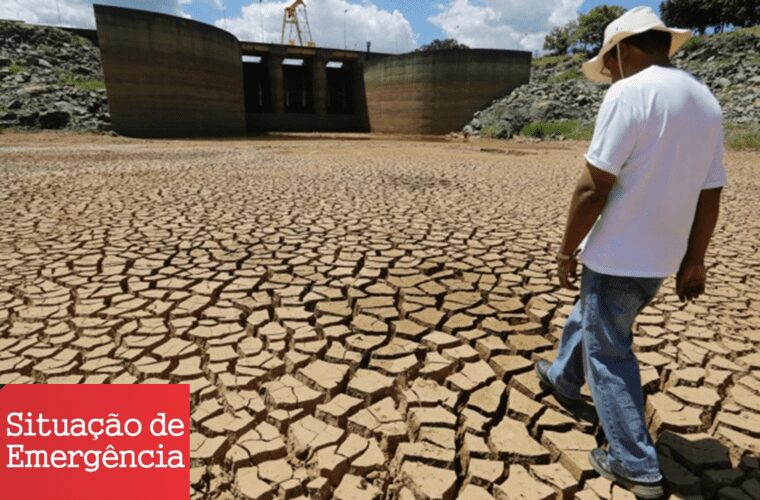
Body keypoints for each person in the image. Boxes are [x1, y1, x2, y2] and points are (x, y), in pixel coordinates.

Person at [534, 6, 726, 499]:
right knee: (595, 318)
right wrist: (694, 259)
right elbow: (711, 192)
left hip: (618, 254)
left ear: (622, 49)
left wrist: (565, 250)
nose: (609, 73)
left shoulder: (629, 93)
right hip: (661, 259)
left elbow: (592, 189)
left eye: (609, 62)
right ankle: (560, 378)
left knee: (610, 352)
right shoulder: (704, 101)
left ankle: (633, 462)